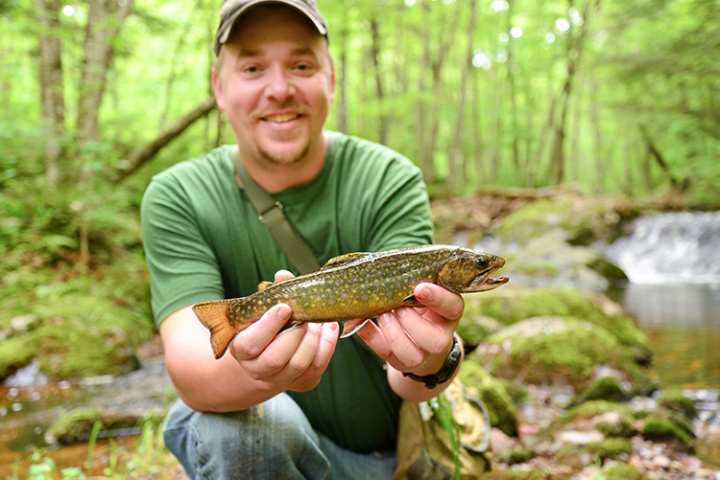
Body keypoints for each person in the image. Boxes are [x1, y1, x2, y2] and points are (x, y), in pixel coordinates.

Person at [141, 1, 466, 478]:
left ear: (331, 78)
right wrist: (255, 370)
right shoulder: (178, 195)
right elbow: (193, 375)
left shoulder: (388, 178)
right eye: (253, 67)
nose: (279, 89)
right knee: (230, 430)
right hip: (256, 451)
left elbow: (411, 383)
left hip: (377, 461)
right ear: (219, 87)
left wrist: (435, 356)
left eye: (301, 65)